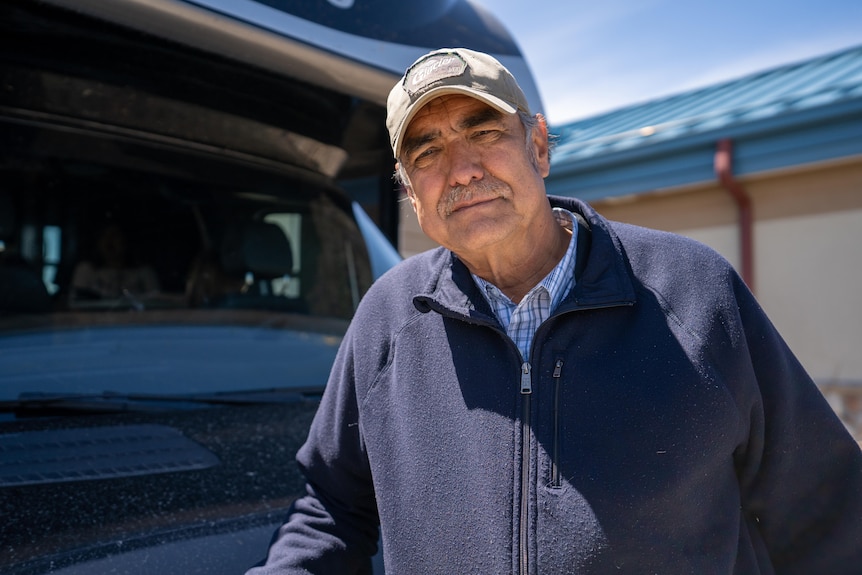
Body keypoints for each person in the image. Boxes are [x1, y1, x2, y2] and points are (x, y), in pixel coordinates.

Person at [247, 48, 862, 574]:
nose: (462, 170)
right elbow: (332, 504)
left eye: (484, 132)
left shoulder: (695, 292)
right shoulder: (387, 317)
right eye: (427, 152)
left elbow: (828, 509)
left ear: (538, 147)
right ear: (410, 192)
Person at [70, 222, 160, 303]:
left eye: (115, 235)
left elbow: (157, 304)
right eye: (104, 235)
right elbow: (77, 305)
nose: (109, 241)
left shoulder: (144, 272)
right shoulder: (86, 270)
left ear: (126, 239)